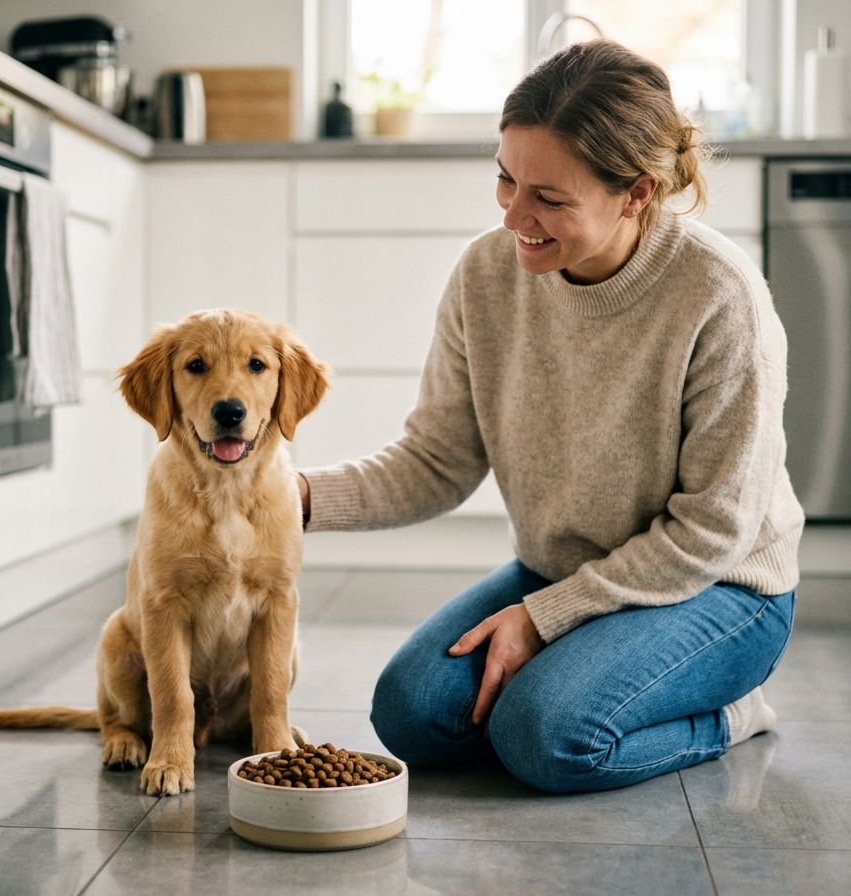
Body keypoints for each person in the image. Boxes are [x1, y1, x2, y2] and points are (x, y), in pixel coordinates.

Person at [296, 39, 804, 793]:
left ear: (635, 192)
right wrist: (296, 496)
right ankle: (578, 681)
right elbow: (436, 460)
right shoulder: (485, 275)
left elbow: (713, 530)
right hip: (565, 566)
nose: (514, 218)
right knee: (410, 714)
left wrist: (542, 619)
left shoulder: (719, 296)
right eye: (506, 180)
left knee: (545, 737)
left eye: (550, 199)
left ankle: (729, 716)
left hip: (721, 590)